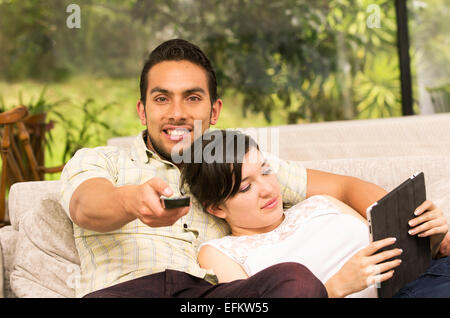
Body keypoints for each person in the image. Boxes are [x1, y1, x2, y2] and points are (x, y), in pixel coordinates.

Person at [60, 38, 450, 298]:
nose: (177, 113)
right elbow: (85, 206)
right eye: (162, 99)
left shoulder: (233, 155)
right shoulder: (103, 161)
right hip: (134, 291)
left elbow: (345, 188)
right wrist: (131, 202)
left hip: (214, 299)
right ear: (142, 110)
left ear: (214, 111)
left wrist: (411, 225)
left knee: (295, 280)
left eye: (192, 98)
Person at [180, 129, 450, 298]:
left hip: (430, 276)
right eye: (246, 187)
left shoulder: (320, 204)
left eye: (264, 170)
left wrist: (432, 240)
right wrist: (334, 288)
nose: (267, 189)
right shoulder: (220, 252)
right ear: (216, 208)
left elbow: (398, 256)